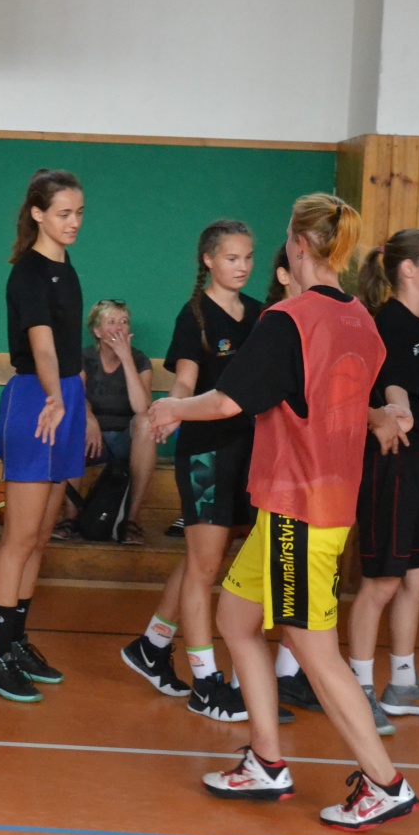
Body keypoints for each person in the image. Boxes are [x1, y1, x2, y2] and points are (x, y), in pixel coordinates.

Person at [150, 193, 419, 831]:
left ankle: (385, 783)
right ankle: (266, 762)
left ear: (298, 244)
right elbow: (337, 401)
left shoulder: (288, 319)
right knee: (236, 618)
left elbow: (227, 402)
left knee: (311, 646)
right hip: (308, 505)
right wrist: (384, 414)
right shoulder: (361, 320)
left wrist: (171, 408)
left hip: (301, 510)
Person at [122, 222, 273, 722]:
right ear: (208, 260)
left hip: (250, 453)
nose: (243, 266)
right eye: (232, 258)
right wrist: (172, 410)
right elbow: (185, 381)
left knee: (206, 558)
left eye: (248, 257)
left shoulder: (260, 314)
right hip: (206, 454)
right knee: (205, 567)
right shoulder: (195, 317)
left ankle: (152, 645)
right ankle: (205, 683)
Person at [0, 169, 85, 703]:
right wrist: (55, 397)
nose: (74, 222)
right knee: (18, 539)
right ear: (38, 214)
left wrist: (79, 405)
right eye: (64, 213)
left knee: (41, 538)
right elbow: (42, 346)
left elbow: (68, 348)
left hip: (66, 398)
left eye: (79, 213)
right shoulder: (28, 272)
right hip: (36, 401)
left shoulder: (67, 267)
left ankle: (17, 642)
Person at [349, 229, 419, 732]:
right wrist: (400, 411)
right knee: (383, 581)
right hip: (388, 461)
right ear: (408, 270)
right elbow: (391, 387)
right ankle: (358, 690)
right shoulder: (386, 324)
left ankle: (403, 684)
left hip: (417, 459)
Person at [54, 300, 154, 546]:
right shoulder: (84, 358)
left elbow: (142, 407)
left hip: (126, 440)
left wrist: (126, 358)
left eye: (124, 322)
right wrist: (90, 420)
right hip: (91, 439)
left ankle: (130, 521)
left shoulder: (140, 360)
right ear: (97, 331)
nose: (119, 327)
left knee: (146, 423)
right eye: (111, 322)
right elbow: (77, 397)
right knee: (75, 420)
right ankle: (70, 518)